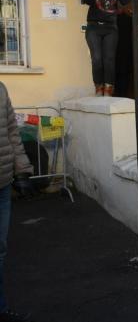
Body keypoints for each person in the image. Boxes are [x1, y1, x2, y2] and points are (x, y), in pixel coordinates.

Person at [0, 82, 34, 322]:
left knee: (0, 249)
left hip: (2, 182)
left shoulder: (0, 89)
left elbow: (12, 131)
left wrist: (21, 170)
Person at [82, 0, 131, 97]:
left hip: (110, 27)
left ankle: (108, 88)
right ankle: (99, 87)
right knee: (97, 58)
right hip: (93, 26)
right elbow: (87, 0)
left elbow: (126, 1)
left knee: (109, 59)